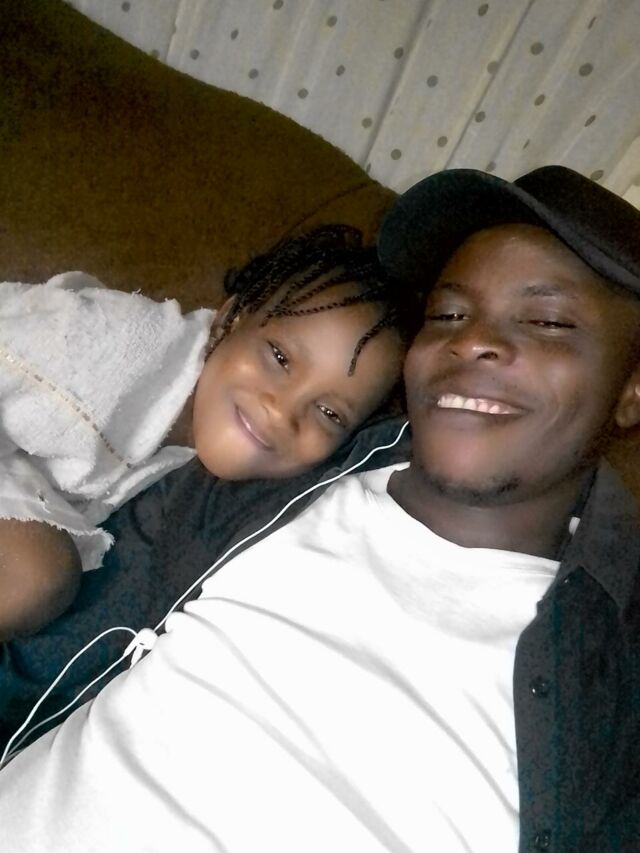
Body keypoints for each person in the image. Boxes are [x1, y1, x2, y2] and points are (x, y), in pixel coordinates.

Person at [1, 165, 640, 852]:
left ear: (632, 390)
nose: (469, 341)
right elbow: (48, 651)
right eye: (448, 315)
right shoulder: (264, 473)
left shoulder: (615, 671)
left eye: (547, 321)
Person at [0, 225, 416, 640]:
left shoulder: (203, 475)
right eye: (279, 357)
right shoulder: (116, 345)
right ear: (230, 320)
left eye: (329, 412)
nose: (281, 412)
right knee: (35, 574)